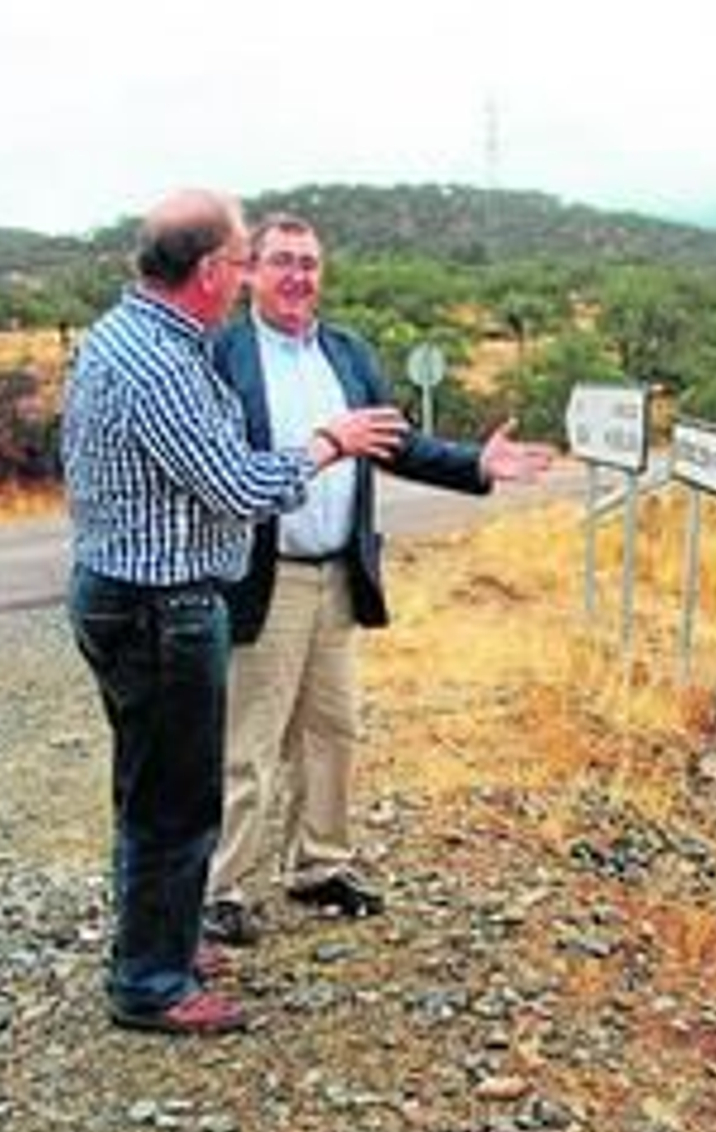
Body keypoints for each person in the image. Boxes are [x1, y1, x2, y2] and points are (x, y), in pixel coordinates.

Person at [62, 190, 403, 1035]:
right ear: (214, 272)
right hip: (159, 606)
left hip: (135, 595)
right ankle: (151, 984)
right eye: (248, 256)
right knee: (177, 801)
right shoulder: (163, 362)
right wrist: (329, 443)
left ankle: (162, 943)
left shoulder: (133, 334)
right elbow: (240, 486)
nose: (258, 269)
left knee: (150, 791)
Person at [204, 211, 555, 946]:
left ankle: (319, 865)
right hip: (262, 578)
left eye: (310, 262)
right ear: (249, 273)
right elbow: (217, 474)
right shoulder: (222, 355)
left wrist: (475, 465)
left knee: (333, 729)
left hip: (339, 574)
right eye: (282, 261)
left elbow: (398, 442)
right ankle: (221, 887)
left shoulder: (348, 352)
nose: (299, 275)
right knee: (248, 740)